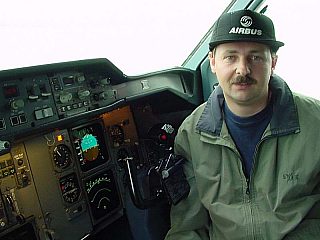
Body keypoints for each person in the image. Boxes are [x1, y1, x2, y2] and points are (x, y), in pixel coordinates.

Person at [165, 9, 320, 240]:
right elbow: (188, 225)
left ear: (273, 62)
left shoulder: (315, 122)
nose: (243, 70)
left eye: (255, 57)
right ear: (213, 62)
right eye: (231, 57)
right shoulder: (192, 133)